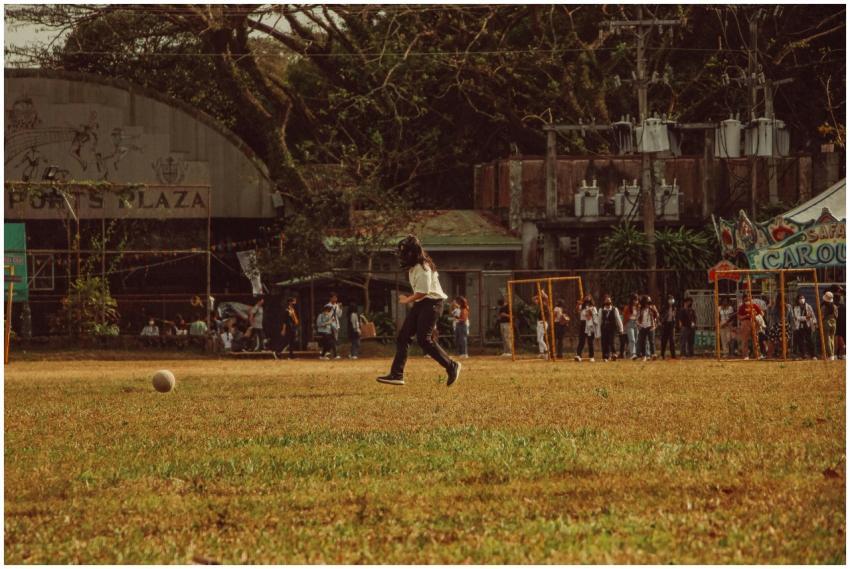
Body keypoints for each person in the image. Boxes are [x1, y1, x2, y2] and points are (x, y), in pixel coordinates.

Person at [377, 235, 460, 386]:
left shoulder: (423, 267)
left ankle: (451, 366)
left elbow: (424, 291)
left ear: (412, 253)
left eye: (404, 252)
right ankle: (397, 374)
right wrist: (412, 300)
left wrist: (407, 300)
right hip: (422, 303)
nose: (402, 256)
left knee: (424, 339)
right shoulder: (414, 268)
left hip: (432, 303)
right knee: (403, 337)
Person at [599, 295, 623, 362]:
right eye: (606, 301)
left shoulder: (614, 309)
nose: (608, 303)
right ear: (604, 302)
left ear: (611, 302)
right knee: (604, 342)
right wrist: (598, 332)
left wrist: (621, 329)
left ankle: (614, 354)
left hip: (612, 328)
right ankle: (605, 357)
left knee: (611, 341)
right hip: (604, 328)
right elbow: (599, 321)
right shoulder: (601, 310)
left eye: (609, 301)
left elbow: (618, 319)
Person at [575, 295, 598, 362]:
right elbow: (576, 311)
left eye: (589, 298)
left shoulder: (593, 308)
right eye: (586, 297)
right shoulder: (582, 307)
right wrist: (578, 304)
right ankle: (578, 355)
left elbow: (595, 316)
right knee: (581, 340)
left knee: (590, 341)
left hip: (590, 324)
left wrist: (590, 313)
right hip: (583, 323)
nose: (587, 299)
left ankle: (591, 356)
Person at [636, 295, 658, 361]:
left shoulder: (652, 308)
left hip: (650, 326)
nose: (648, 303)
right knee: (643, 342)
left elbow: (657, 315)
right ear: (643, 302)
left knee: (652, 341)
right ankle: (644, 356)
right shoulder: (640, 309)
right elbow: (637, 318)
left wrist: (654, 323)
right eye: (647, 302)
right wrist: (638, 325)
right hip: (643, 327)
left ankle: (653, 354)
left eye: (649, 301)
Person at [821, 291, 839, 360]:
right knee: (832, 338)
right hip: (834, 322)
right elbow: (836, 316)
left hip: (826, 322)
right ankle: (833, 355)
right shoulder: (835, 306)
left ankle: (830, 354)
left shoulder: (824, 307)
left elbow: (821, 316)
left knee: (827, 339)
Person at [659, 294, 677, 359]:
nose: (671, 301)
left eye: (672, 299)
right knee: (664, 340)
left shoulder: (674, 308)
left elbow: (674, 316)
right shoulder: (664, 307)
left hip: (671, 325)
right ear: (667, 300)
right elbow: (660, 315)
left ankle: (673, 356)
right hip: (665, 324)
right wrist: (661, 321)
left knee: (672, 340)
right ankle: (662, 355)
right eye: (670, 299)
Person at [622, 294, 640, 360]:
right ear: (632, 300)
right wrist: (623, 326)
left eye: (637, 300)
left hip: (636, 323)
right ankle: (633, 354)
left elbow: (639, 317)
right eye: (635, 300)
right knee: (632, 339)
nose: (636, 301)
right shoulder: (627, 307)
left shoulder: (638, 307)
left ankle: (628, 352)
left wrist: (639, 323)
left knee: (636, 339)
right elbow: (624, 317)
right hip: (629, 323)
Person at [533, 291, 550, 359]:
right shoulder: (539, 306)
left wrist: (543, 293)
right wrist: (539, 295)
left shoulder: (545, 305)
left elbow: (547, 298)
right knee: (539, 339)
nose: (535, 301)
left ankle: (547, 351)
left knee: (540, 339)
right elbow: (533, 298)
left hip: (543, 323)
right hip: (539, 323)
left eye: (537, 300)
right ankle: (541, 353)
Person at [327, 292, 343, 359]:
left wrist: (340, 308)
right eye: (334, 297)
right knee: (332, 339)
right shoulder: (327, 306)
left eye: (336, 297)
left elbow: (339, 315)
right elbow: (327, 316)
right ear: (330, 298)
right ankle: (334, 354)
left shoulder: (337, 305)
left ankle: (331, 353)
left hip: (336, 324)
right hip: (330, 324)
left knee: (335, 339)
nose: (335, 299)